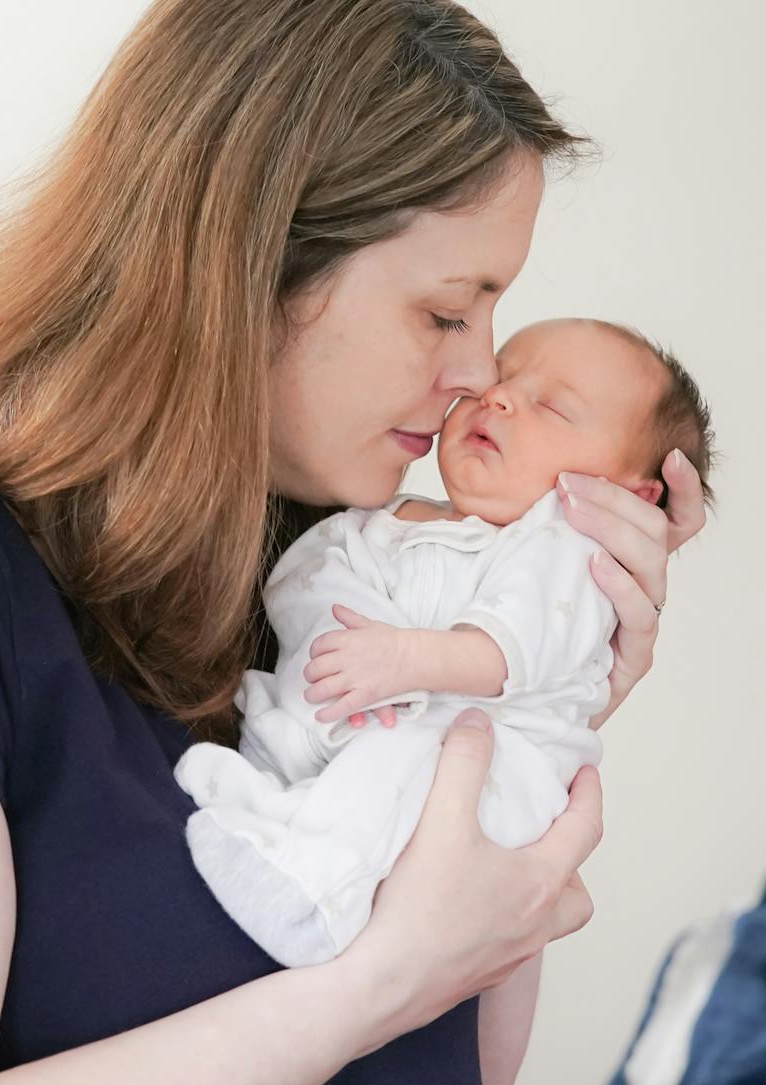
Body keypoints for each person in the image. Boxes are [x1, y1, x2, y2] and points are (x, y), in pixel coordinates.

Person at [0, 2, 708, 1082]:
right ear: (246, 265)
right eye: (447, 312)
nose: (476, 375)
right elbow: (406, 984)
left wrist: (527, 717)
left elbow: (459, 1060)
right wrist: (373, 984)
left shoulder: (335, 561)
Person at [174, 317, 718, 969]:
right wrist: (342, 650)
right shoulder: (386, 520)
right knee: (281, 716)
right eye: (504, 374)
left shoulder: (569, 551)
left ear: (629, 495)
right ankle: (278, 813)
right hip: (371, 720)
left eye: (552, 405)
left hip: (486, 777)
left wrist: (402, 661)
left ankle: (310, 890)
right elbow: (307, 579)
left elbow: (512, 644)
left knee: (400, 758)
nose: (499, 396)